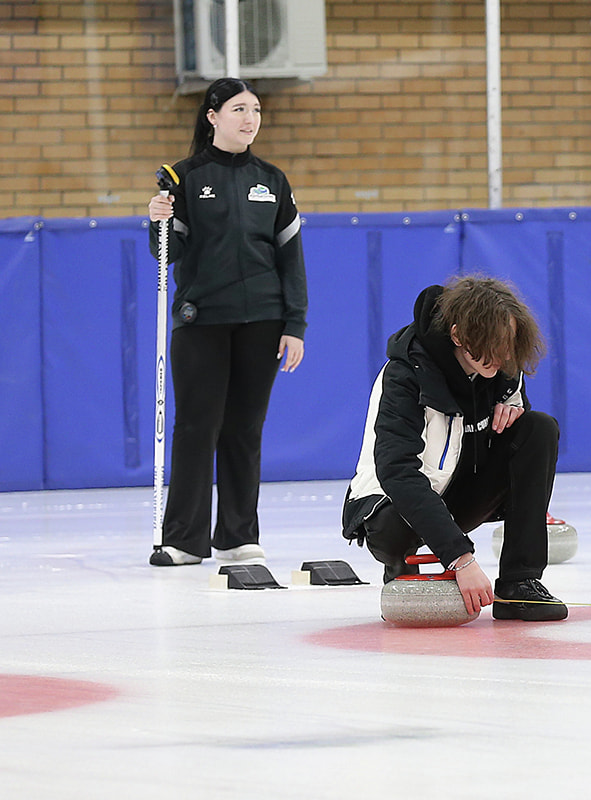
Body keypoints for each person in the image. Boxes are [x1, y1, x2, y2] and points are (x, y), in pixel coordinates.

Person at [146, 77, 308, 567]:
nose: (250, 118)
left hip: (262, 319)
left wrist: (294, 324)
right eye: (239, 109)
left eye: (256, 109)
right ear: (213, 116)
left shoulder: (273, 180)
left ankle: (237, 535)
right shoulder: (185, 177)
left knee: (244, 428)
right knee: (197, 426)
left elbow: (292, 259)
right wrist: (156, 220)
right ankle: (183, 539)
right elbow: (165, 254)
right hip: (201, 322)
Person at [342, 275, 568, 622]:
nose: (503, 357)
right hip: (390, 511)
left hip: (457, 493)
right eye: (493, 346)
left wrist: (516, 405)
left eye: (508, 346)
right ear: (458, 335)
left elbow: (513, 404)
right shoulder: (405, 376)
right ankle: (400, 564)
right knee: (395, 520)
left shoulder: (502, 363)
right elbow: (397, 473)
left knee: (538, 429)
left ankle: (520, 581)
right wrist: (461, 557)